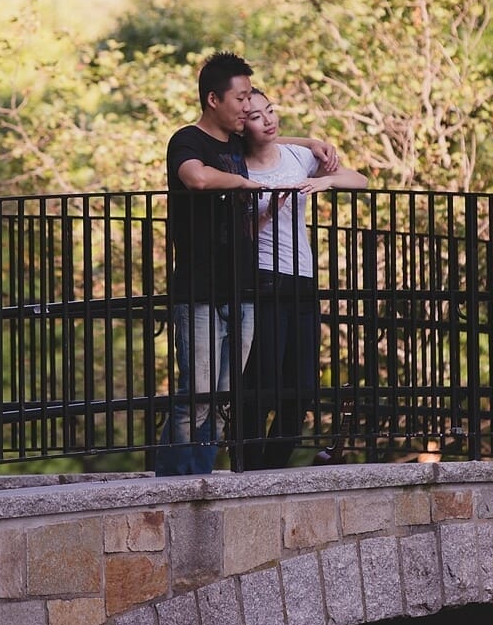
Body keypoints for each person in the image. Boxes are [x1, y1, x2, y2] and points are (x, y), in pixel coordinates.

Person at [239, 88, 367, 469]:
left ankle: (273, 466)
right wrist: (267, 210)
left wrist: (325, 182)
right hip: (264, 277)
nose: (269, 120)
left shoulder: (296, 156)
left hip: (303, 276)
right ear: (241, 125)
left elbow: (359, 180)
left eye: (271, 111)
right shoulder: (237, 167)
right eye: (257, 116)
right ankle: (248, 463)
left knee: (303, 385)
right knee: (264, 381)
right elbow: (239, 233)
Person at [155, 52, 262, 476]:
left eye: (251, 95)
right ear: (214, 99)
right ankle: (175, 480)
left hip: (242, 287)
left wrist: (311, 145)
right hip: (197, 288)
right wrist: (240, 181)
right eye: (241, 97)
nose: (248, 106)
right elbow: (196, 178)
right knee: (196, 392)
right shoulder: (187, 140)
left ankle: (203, 475)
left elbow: (276, 142)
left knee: (223, 396)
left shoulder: (239, 143)